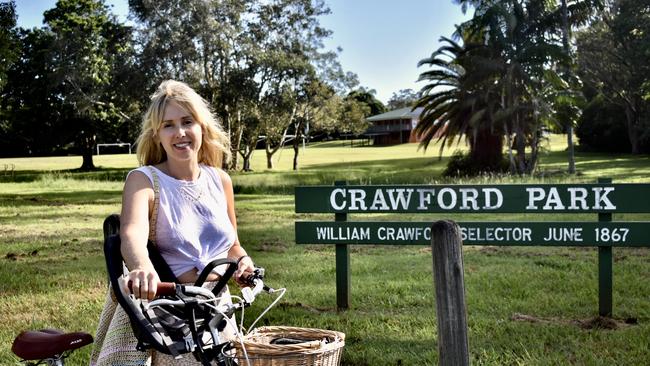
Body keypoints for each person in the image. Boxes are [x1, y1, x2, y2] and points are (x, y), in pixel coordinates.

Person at [91, 80, 254, 366]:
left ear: (202, 127)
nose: (180, 133)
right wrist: (142, 268)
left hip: (217, 308)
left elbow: (232, 245)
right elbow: (132, 235)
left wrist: (243, 261)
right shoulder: (144, 180)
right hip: (167, 313)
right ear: (157, 135)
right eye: (168, 125)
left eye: (187, 121)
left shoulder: (220, 180)